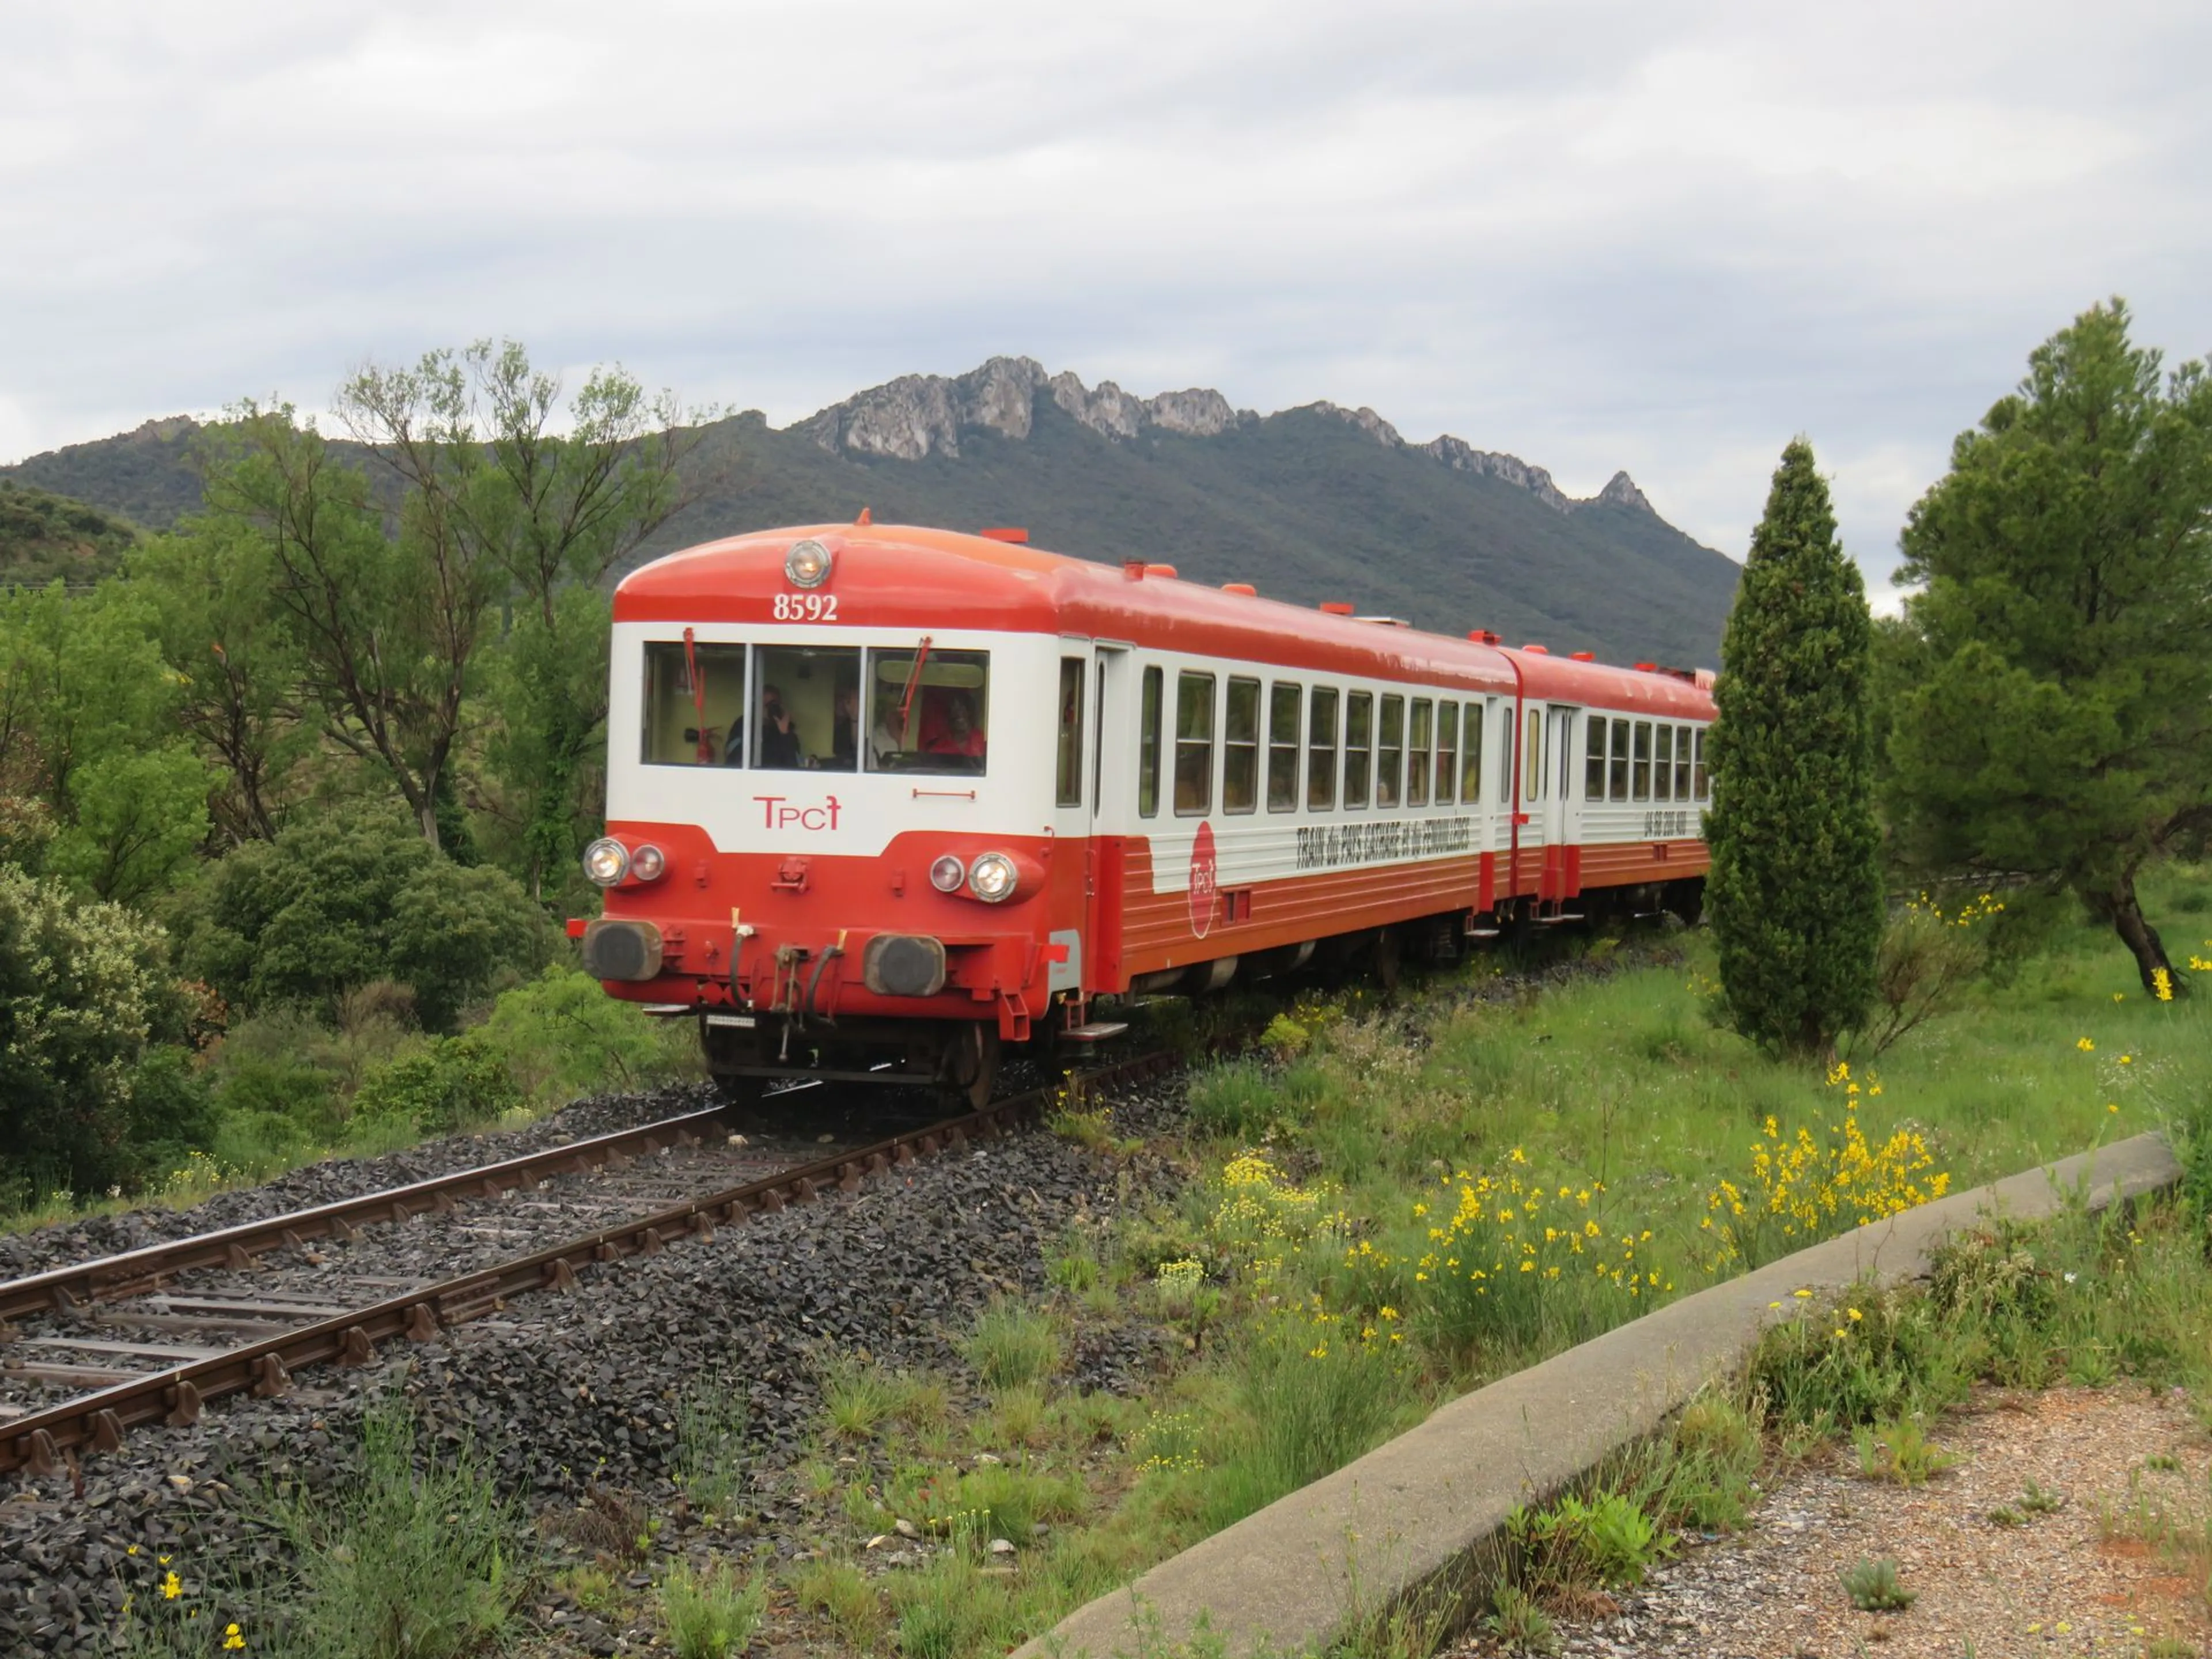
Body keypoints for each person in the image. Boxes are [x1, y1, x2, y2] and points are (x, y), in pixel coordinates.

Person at [757, 684, 802, 768]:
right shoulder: (745, 727)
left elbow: (793, 767)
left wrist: (785, 734)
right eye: (765, 705)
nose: (769, 709)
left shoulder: (787, 732)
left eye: (773, 705)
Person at [828, 685, 859, 770]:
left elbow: (857, 748)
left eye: (849, 700)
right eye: (841, 698)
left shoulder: (851, 725)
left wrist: (854, 717)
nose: (845, 704)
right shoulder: (825, 722)